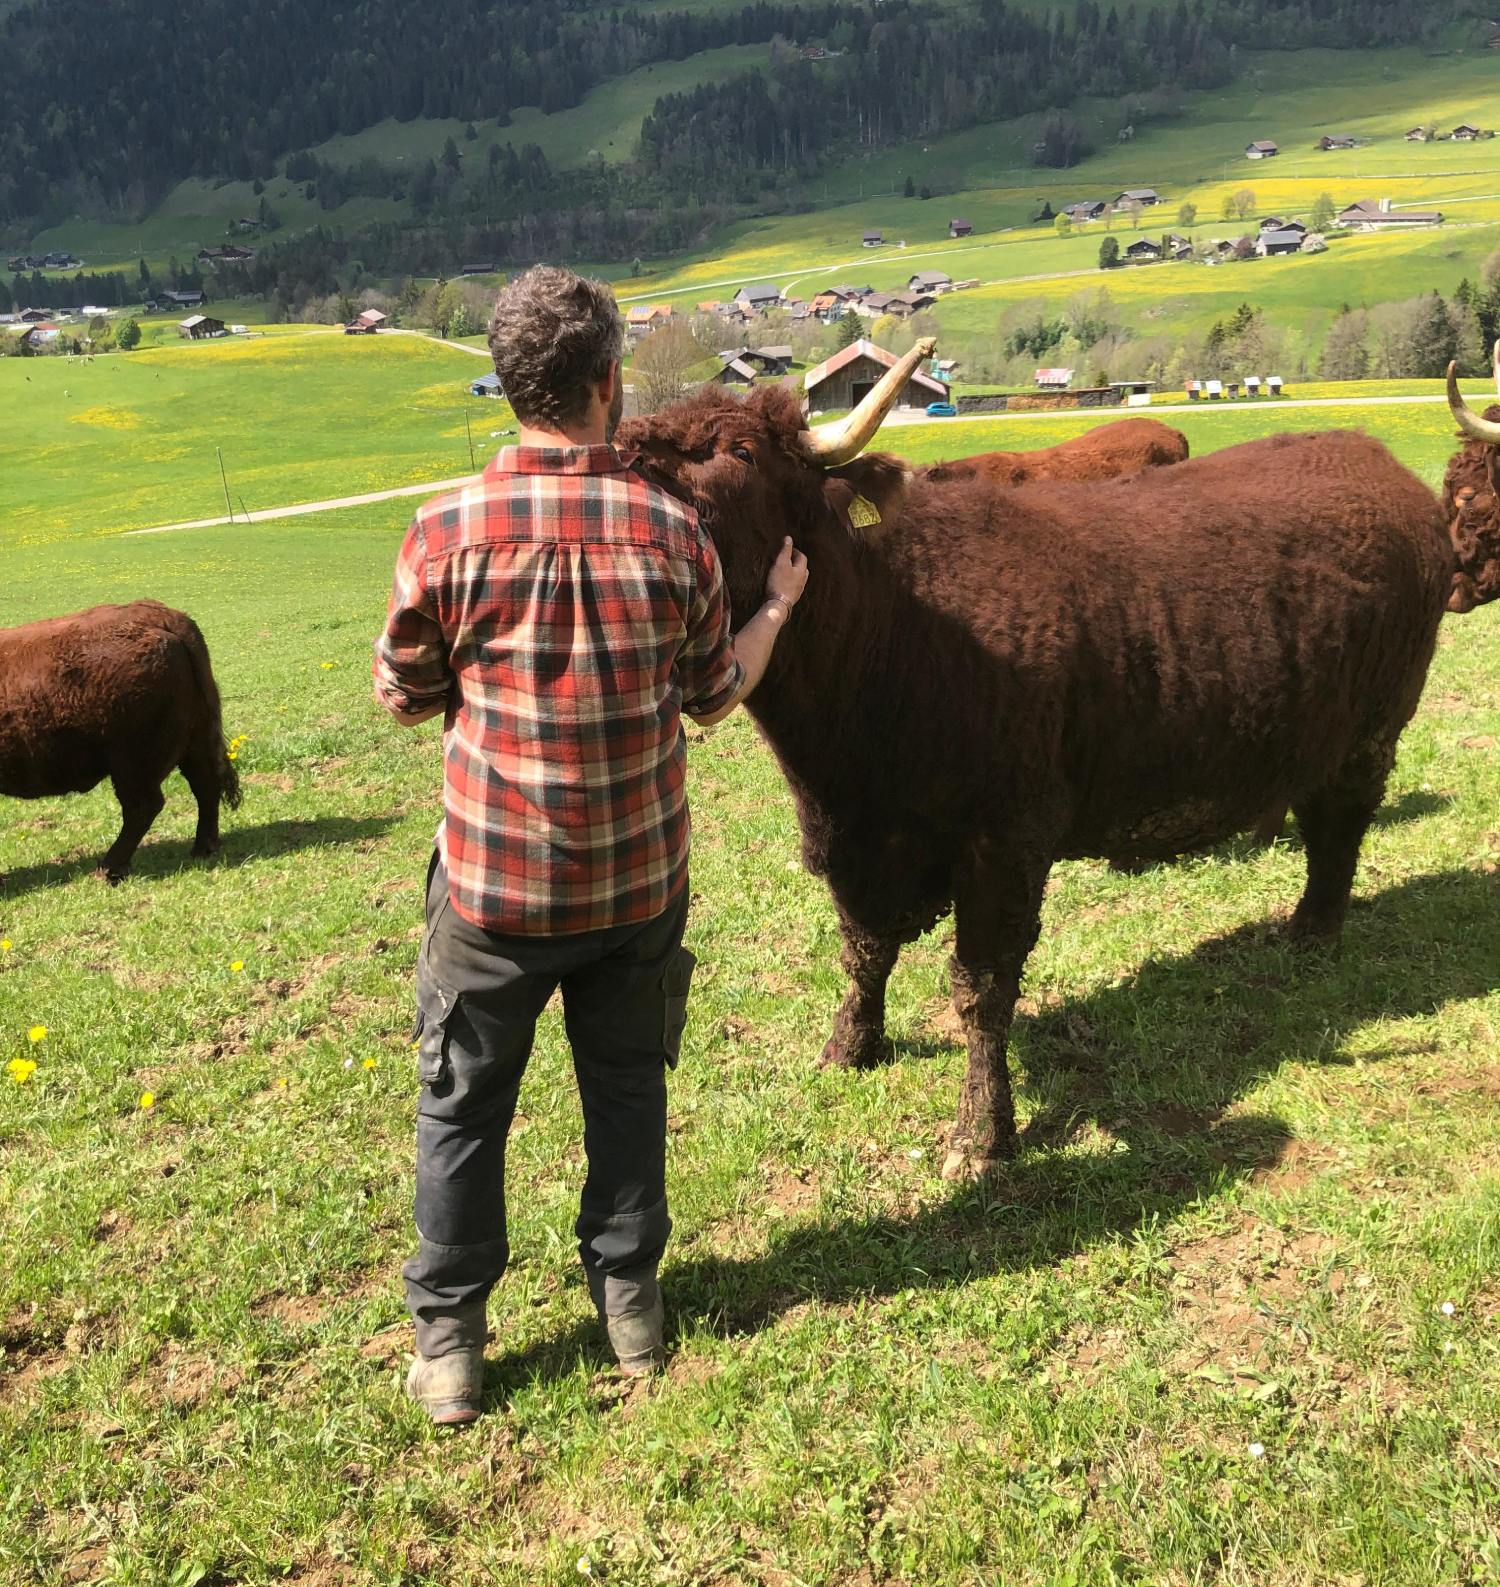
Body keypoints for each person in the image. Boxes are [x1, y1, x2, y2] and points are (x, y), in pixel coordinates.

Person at [372, 265, 808, 1424]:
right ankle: (631, 1310)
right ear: (609, 383)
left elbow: (404, 694)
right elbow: (714, 698)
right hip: (634, 888)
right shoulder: (675, 535)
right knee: (626, 1092)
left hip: (491, 893)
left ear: (510, 385)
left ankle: (453, 1348)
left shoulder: (442, 531)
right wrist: (775, 607)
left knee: (462, 1109)